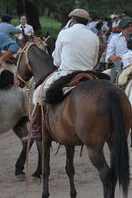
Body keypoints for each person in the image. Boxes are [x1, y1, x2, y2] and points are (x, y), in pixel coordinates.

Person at [30, 8, 99, 141]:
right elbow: (95, 61)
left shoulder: (64, 33)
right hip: (89, 73)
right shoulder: (94, 36)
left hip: (67, 73)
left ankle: (36, 131)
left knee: (37, 93)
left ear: (72, 20)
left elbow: (56, 60)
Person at [106, 17, 132, 82]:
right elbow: (108, 56)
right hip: (119, 67)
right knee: (112, 83)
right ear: (122, 28)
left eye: (131, 26)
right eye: (128, 26)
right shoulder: (114, 39)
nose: (130, 28)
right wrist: (112, 58)